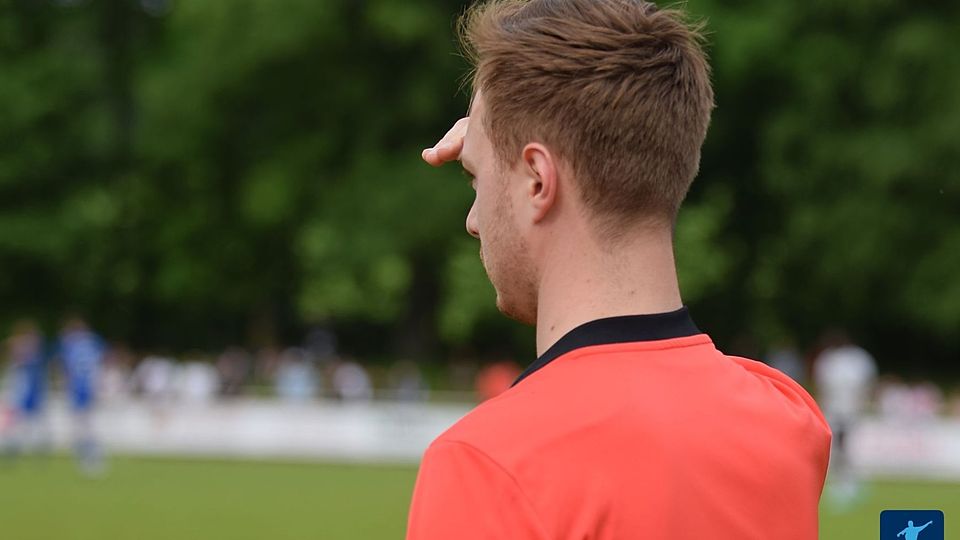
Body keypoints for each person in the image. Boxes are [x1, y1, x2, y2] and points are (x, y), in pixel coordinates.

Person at [406, 1, 831, 539]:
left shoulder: (487, 464)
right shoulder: (788, 421)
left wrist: (501, 149)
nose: (473, 220)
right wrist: (501, 150)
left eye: (474, 181)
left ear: (538, 181)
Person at [59, 317, 106, 475]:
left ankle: (90, 459)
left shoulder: (71, 345)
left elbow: (67, 369)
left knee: (82, 427)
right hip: (93, 388)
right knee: (88, 426)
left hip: (79, 389)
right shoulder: (94, 341)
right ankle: (92, 458)